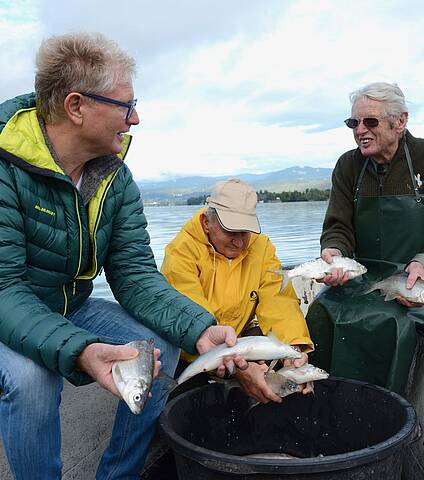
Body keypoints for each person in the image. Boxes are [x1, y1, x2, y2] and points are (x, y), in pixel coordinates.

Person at [0, 32, 247, 480]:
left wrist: (200, 328)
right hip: (6, 312)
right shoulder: (4, 167)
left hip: (68, 307)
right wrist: (80, 350)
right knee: (32, 380)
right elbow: (4, 288)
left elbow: (134, 274)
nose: (136, 118)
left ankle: (119, 475)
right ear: (76, 106)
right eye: (126, 105)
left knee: (160, 345)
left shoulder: (115, 178)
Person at [306, 82, 424, 394]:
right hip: (365, 273)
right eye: (353, 123)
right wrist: (333, 252)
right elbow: (337, 228)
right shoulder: (348, 165)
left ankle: (376, 407)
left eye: (370, 121)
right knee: (321, 310)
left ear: (401, 122)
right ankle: (325, 400)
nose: (359, 130)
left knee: (388, 321)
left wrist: (422, 263)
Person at [161, 178, 314, 403]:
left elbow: (278, 300)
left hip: (239, 341)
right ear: (206, 222)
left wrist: (293, 349)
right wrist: (236, 365)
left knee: (292, 363)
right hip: (189, 348)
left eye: (246, 232)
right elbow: (190, 310)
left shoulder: (262, 248)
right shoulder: (180, 252)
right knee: (182, 402)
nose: (239, 243)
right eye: (230, 231)